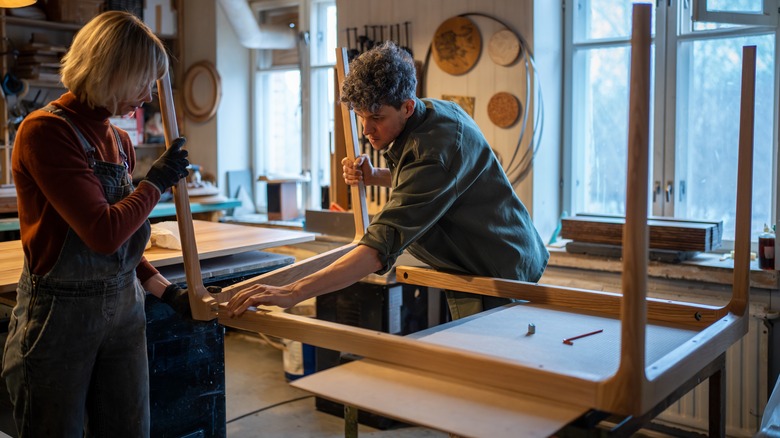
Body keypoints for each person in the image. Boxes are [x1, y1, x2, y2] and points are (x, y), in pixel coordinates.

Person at [226, 41, 548, 320]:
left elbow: (379, 247)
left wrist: (293, 292)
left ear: (406, 107)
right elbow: (432, 185)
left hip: (500, 267)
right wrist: (375, 175)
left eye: (376, 118)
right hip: (483, 258)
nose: (366, 130)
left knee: (492, 374)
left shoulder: (435, 150)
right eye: (361, 116)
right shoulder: (431, 114)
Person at [2, 11, 196, 437]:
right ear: (113, 71)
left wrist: (167, 291)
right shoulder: (45, 132)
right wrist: (155, 183)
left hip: (125, 312)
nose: (147, 97)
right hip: (61, 318)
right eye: (144, 81)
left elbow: (124, 247)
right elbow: (102, 232)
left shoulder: (119, 139)